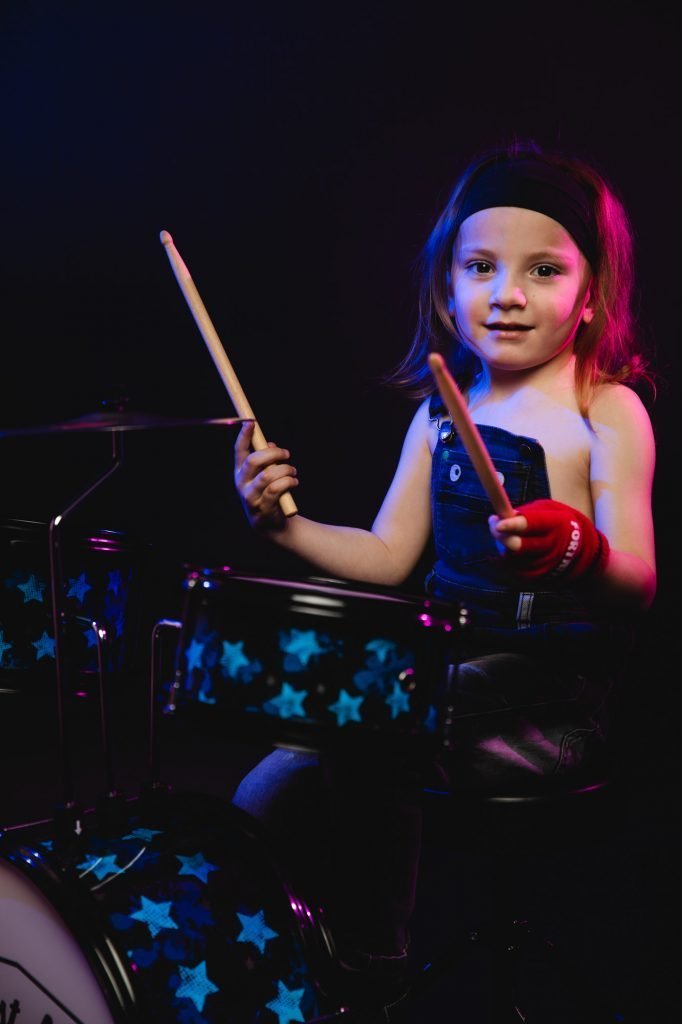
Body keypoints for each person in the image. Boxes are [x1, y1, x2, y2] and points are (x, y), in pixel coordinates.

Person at [231, 142, 656, 1006]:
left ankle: (372, 967)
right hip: (442, 673)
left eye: (543, 270)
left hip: (551, 689)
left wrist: (578, 550)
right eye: (480, 266)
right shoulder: (438, 415)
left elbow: (639, 582)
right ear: (447, 287)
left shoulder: (603, 408)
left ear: (591, 294)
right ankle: (265, 961)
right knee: (264, 789)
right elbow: (389, 557)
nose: (507, 293)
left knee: (375, 724)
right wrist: (285, 527)